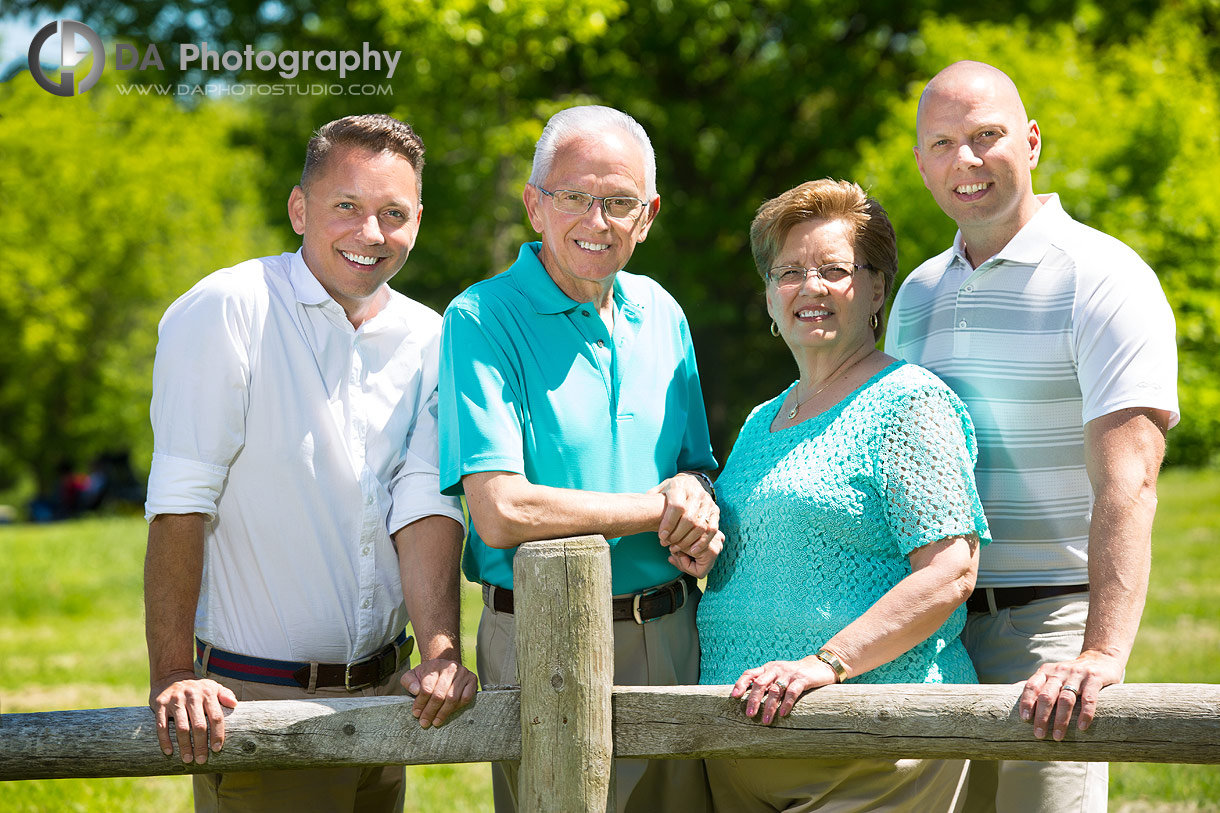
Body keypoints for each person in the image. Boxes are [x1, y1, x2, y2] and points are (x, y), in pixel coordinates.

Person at [143, 114, 477, 813]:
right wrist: (174, 669)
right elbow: (182, 498)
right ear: (300, 209)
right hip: (254, 703)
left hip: (389, 706)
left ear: (418, 221)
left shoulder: (431, 337)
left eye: (394, 213)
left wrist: (441, 651)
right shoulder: (228, 309)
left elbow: (423, 503)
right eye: (346, 207)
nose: (371, 233)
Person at [887, 60, 1179, 813]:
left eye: (987, 136)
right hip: (934, 629)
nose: (967, 161)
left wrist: (1101, 652)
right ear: (921, 162)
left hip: (1052, 629)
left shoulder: (1105, 278)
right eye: (943, 143)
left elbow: (1131, 481)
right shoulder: (915, 295)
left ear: (1032, 141)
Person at [438, 104, 720, 813]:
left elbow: (694, 468)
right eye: (574, 197)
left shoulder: (663, 311)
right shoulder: (480, 317)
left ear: (647, 214)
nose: (597, 220)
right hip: (540, 640)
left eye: (619, 202)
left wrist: (698, 508)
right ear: (535, 205)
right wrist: (661, 509)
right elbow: (500, 509)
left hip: (672, 636)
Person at [697, 178, 989, 812]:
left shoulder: (910, 403)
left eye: (834, 270)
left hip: (871, 744)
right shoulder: (759, 421)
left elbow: (949, 573)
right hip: (742, 744)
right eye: (790, 271)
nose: (811, 287)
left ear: (878, 288)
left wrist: (824, 664)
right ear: (770, 297)